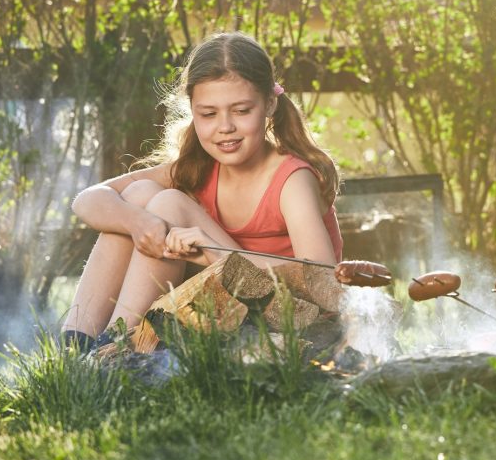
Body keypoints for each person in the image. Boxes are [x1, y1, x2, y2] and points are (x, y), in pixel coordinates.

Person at [61, 32, 342, 349]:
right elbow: (87, 201)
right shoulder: (200, 167)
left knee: (168, 205)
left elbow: (322, 278)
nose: (225, 127)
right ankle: (77, 347)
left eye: (241, 111)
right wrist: (139, 224)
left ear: (269, 104)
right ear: (192, 112)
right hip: (229, 303)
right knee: (137, 198)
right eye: (208, 114)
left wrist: (212, 249)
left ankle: (114, 347)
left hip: (292, 313)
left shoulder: (292, 179)